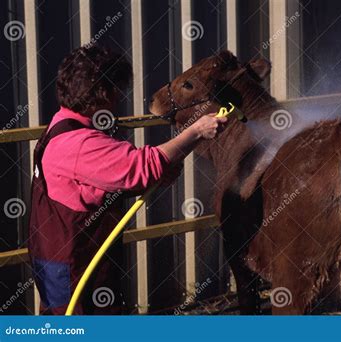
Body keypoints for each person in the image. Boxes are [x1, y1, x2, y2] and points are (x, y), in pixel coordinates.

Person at [28, 45, 227, 315]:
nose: (119, 97)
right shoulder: (78, 143)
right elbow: (143, 165)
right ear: (102, 94)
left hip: (61, 260)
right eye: (116, 89)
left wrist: (152, 174)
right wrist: (197, 129)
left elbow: (94, 183)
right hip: (73, 267)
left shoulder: (63, 122)